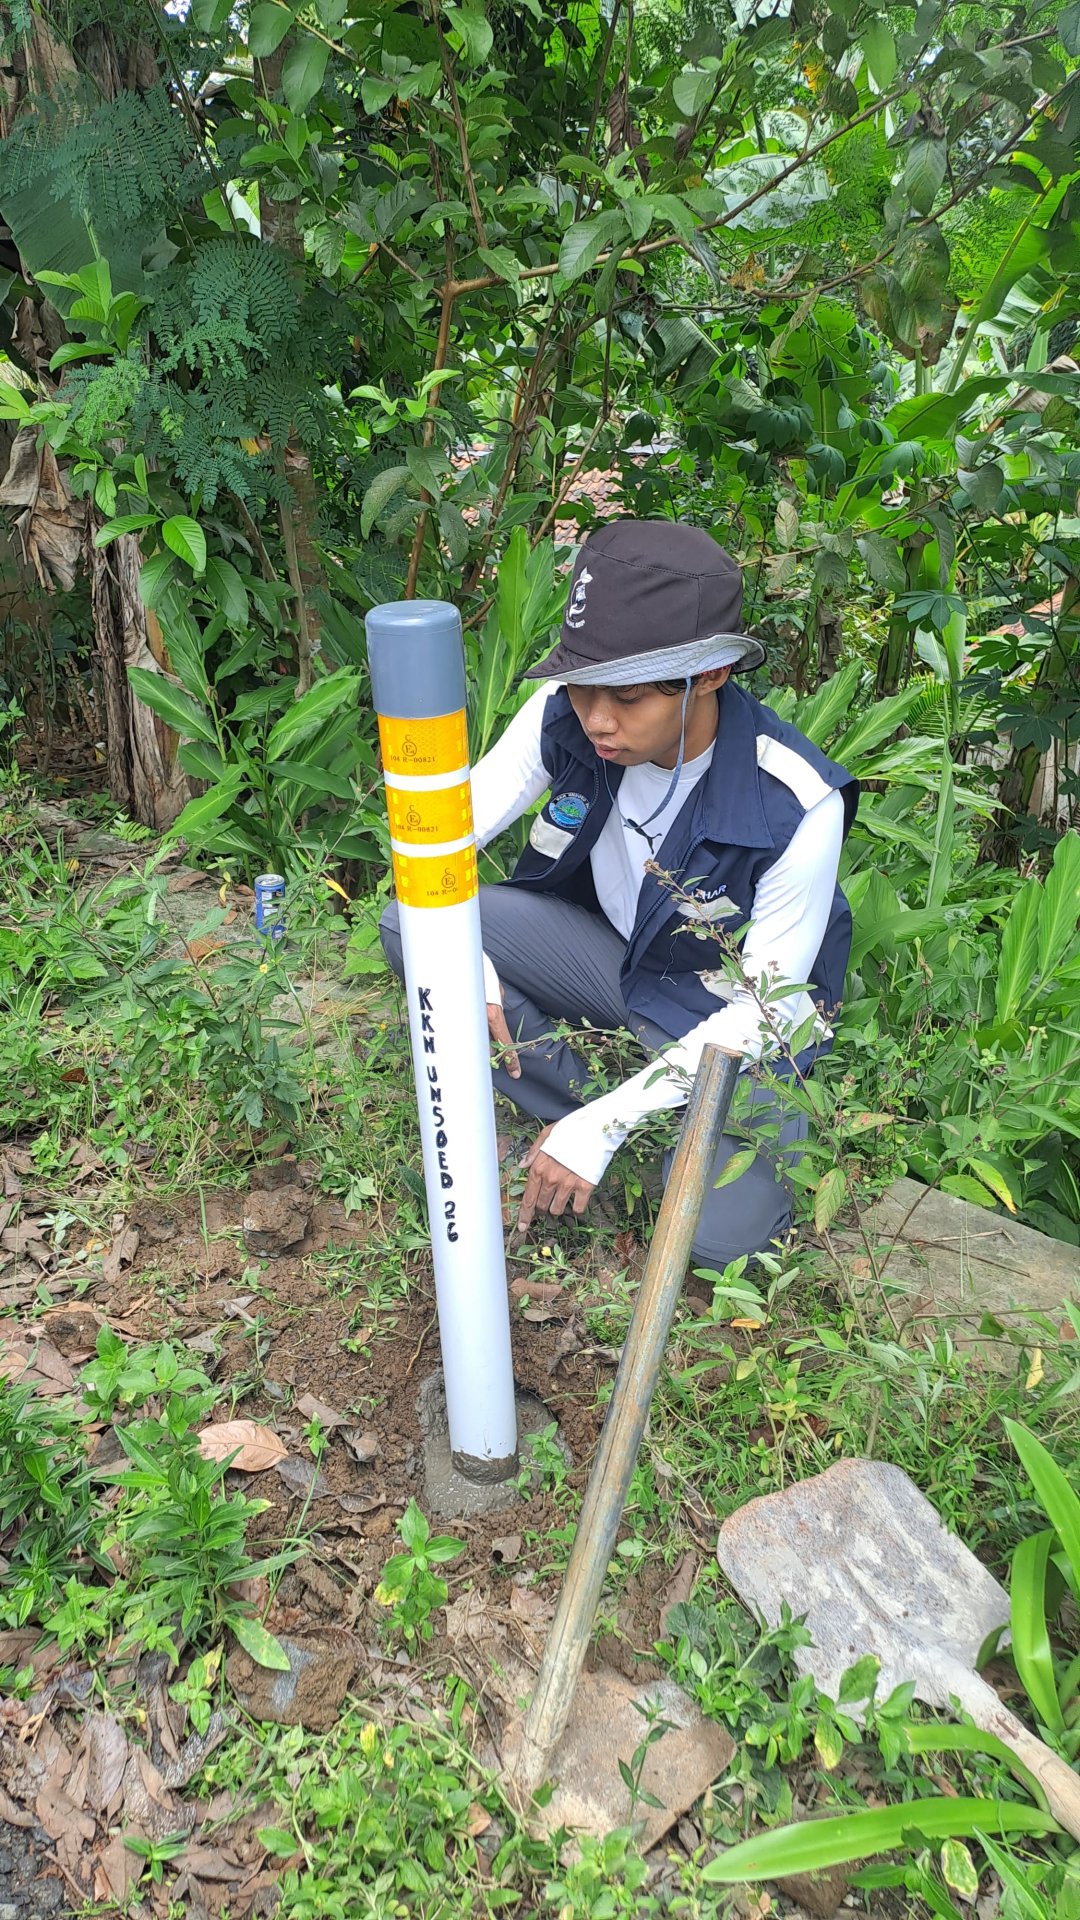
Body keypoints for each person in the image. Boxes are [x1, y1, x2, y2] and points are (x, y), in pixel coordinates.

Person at [380, 519, 858, 1270]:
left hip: (739, 1025)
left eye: (628, 697)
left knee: (717, 1238)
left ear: (710, 676)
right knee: (414, 928)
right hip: (619, 967)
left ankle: (608, 1132)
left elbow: (762, 1016)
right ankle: (589, 1126)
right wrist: (467, 975)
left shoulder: (796, 802)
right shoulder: (561, 719)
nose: (597, 720)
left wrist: (607, 1123)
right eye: (581, 686)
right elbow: (438, 841)